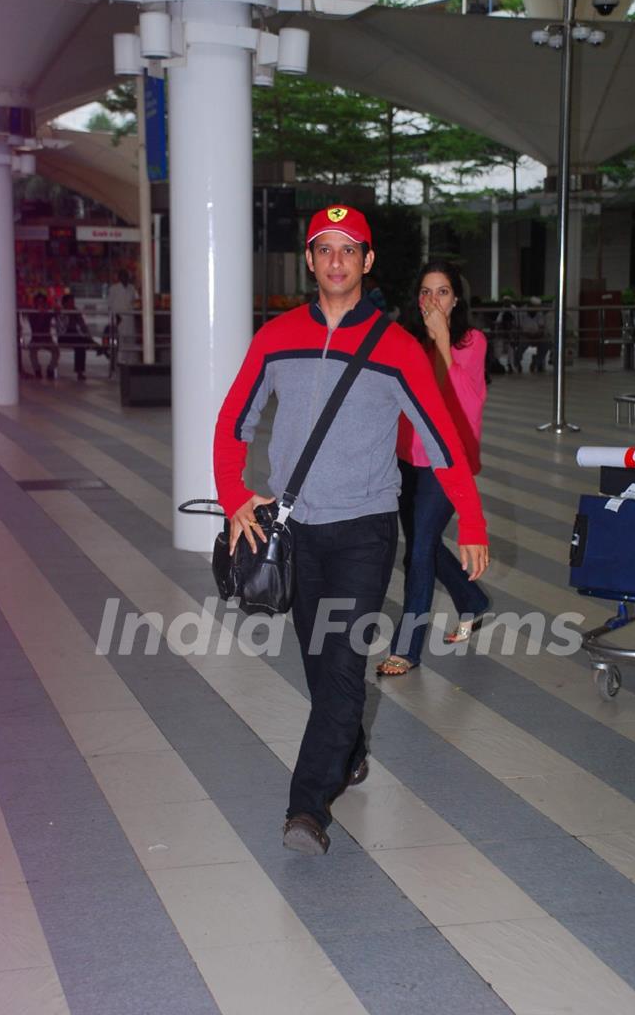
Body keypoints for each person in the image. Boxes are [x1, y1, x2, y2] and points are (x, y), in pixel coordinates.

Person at [214, 205, 489, 856]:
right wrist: (234, 496)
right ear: (310, 261)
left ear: (367, 262)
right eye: (324, 249)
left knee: (339, 667)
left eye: (349, 249)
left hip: (364, 534)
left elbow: (444, 441)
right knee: (322, 666)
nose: (336, 260)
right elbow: (233, 421)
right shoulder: (277, 337)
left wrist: (471, 522)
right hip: (298, 531)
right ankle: (353, 749)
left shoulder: (397, 349)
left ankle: (307, 807)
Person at [377, 260, 489, 676]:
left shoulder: (471, 342)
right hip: (406, 459)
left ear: (456, 298)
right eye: (426, 292)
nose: (433, 300)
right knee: (423, 544)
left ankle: (407, 648)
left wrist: (442, 342)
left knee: (420, 551)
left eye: (442, 292)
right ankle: (473, 601)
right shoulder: (407, 342)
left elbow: (461, 397)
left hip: (447, 462)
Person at [57, 293, 97, 381]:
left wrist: (88, 335)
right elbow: (61, 326)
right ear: (65, 303)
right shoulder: (61, 312)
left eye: (73, 301)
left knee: (80, 345)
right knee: (80, 342)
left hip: (75, 335)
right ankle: (97, 347)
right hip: (64, 335)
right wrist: (67, 313)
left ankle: (80, 372)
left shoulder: (76, 311)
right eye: (70, 302)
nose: (72, 303)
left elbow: (83, 326)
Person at [28, 292, 60, 380]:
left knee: (56, 351)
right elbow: (36, 325)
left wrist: (56, 309)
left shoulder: (48, 312)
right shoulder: (31, 312)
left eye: (42, 302)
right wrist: (41, 314)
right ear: (35, 303)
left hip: (47, 339)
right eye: (38, 302)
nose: (40, 304)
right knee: (32, 352)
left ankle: (50, 369)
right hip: (36, 339)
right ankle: (37, 370)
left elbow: (57, 313)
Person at [515, 296, 551, 373]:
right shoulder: (521, 312)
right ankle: (517, 363)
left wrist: (538, 334)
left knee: (546, 343)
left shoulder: (539, 312)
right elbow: (519, 328)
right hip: (524, 335)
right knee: (520, 346)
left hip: (537, 335)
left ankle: (536, 361)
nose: (536, 309)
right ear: (529, 305)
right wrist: (527, 335)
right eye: (535, 307)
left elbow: (542, 327)